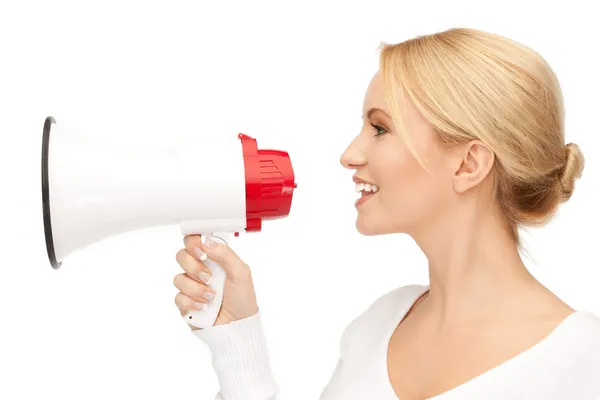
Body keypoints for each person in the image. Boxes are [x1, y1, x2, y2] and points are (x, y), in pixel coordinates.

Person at [172, 27, 600, 399]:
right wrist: (238, 341)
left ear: (469, 164)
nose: (349, 155)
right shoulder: (379, 326)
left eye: (380, 128)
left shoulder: (583, 361)